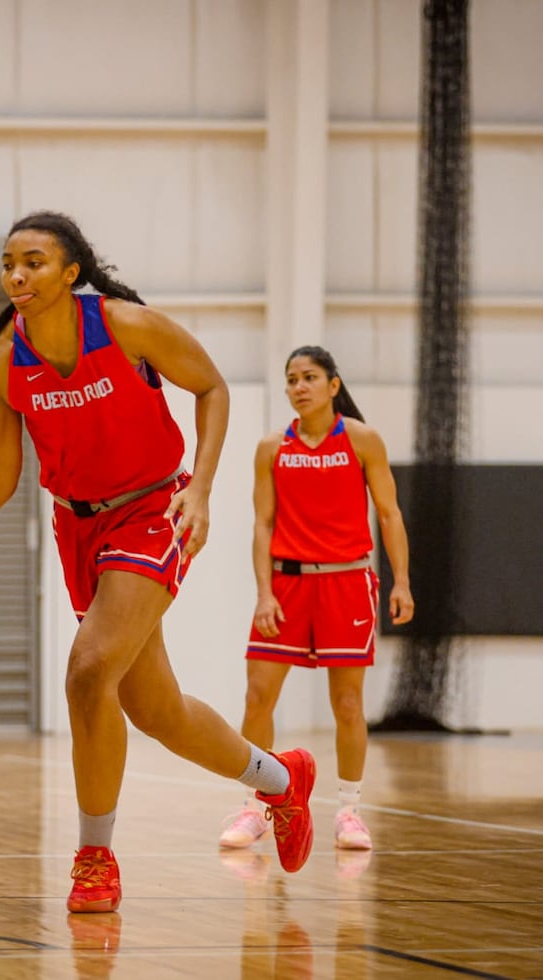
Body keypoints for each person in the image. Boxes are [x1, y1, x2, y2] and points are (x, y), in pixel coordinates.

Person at [0, 211, 316, 913]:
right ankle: (283, 781)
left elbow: (212, 386)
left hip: (151, 510)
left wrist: (202, 488)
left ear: (72, 273)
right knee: (154, 710)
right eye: (9, 262)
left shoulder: (127, 326)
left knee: (86, 670)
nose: (17, 274)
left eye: (34, 262)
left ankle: (95, 859)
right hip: (78, 530)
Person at [219, 345, 414, 855]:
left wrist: (401, 582)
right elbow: (262, 524)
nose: (298, 387)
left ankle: (349, 810)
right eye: (291, 379)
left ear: (333, 385)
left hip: (347, 582)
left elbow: (390, 514)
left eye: (309, 377)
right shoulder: (270, 447)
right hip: (286, 585)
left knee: (347, 703)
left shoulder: (362, 439)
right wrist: (263, 592)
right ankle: (255, 805)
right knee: (258, 697)